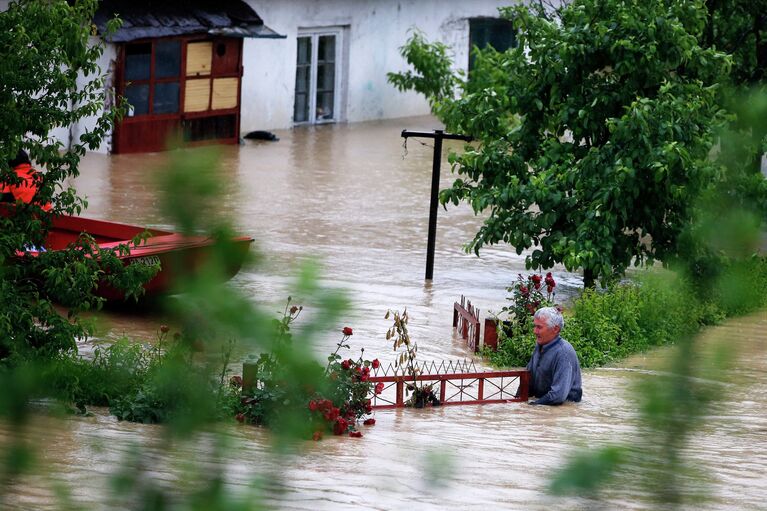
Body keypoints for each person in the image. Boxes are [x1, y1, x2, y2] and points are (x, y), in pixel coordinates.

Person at [526, 306, 582, 405]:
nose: (535, 331)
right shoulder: (539, 345)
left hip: (564, 408)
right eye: (534, 326)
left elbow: (558, 396)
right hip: (543, 403)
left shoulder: (563, 353)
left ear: (555, 329)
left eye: (539, 327)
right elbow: (527, 381)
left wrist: (532, 406)